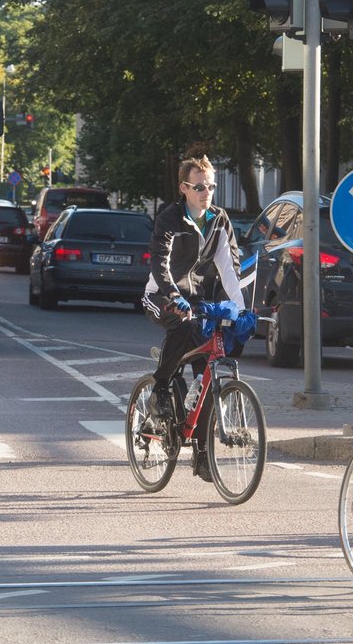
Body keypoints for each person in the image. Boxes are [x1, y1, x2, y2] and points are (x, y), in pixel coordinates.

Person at [141, 155, 244, 483]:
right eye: (200, 186)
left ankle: (201, 457)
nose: (207, 192)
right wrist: (172, 295)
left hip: (199, 299)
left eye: (211, 185)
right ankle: (159, 387)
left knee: (207, 372)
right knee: (182, 323)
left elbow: (230, 268)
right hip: (161, 295)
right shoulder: (169, 217)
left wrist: (240, 311)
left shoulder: (218, 219)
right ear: (184, 188)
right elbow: (162, 262)